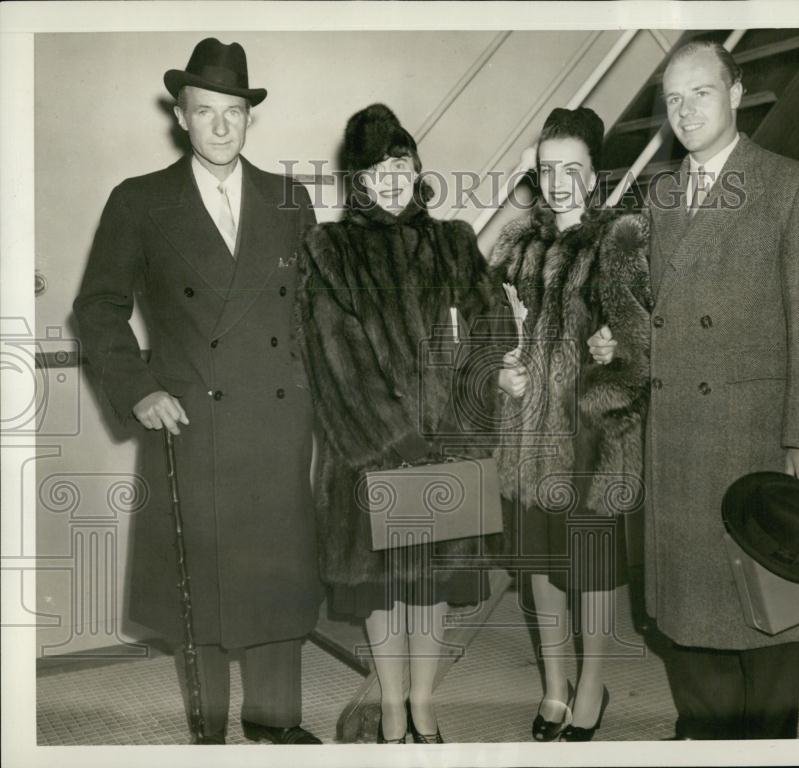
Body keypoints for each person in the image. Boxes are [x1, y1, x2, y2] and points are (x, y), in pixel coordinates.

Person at [591, 40, 799, 739]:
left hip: (755, 437)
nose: (684, 110)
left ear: (736, 94)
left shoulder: (795, 187)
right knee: (688, 620)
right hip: (677, 437)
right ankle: (702, 739)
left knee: (768, 618)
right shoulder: (662, 195)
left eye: (700, 92)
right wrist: (620, 342)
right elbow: (652, 314)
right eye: (672, 99)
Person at [73, 38, 323, 744]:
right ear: (181, 116)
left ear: (251, 119)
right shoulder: (140, 200)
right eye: (206, 111)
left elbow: (319, 308)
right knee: (202, 593)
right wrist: (140, 389)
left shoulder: (288, 196)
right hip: (192, 423)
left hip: (277, 421)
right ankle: (209, 736)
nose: (221, 126)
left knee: (278, 581)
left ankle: (275, 724)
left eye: (234, 112)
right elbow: (97, 308)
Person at [295, 103, 505, 744]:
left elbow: (494, 327)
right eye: (377, 169)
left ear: (417, 170)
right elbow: (336, 360)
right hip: (369, 451)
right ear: (356, 179)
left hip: (449, 445)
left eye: (402, 165)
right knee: (382, 589)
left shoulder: (454, 240)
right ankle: (389, 705)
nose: (391, 179)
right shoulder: (328, 251)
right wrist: (399, 440)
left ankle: (423, 701)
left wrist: (464, 425)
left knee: (433, 581)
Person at [492, 107, 651, 742]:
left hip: (591, 438)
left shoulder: (621, 238)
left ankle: (592, 686)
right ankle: (554, 686)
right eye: (548, 168)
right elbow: (490, 332)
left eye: (572, 169)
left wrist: (621, 348)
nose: (558, 181)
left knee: (591, 569)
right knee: (538, 567)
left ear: (593, 175)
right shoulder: (516, 244)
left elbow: (646, 339)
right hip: (529, 434)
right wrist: (501, 366)